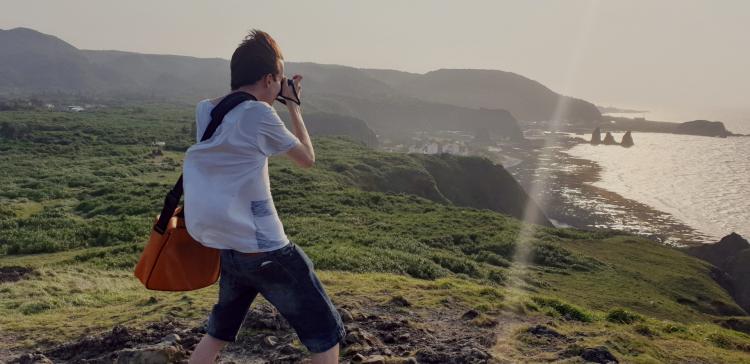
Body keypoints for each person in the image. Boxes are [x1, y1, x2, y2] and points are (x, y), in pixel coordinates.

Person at [185, 30, 345, 364]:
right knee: (325, 334)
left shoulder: (206, 110)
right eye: (280, 78)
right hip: (266, 248)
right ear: (269, 78)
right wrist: (294, 107)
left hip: (229, 248)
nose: (281, 84)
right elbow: (307, 159)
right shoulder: (259, 114)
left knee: (218, 333)